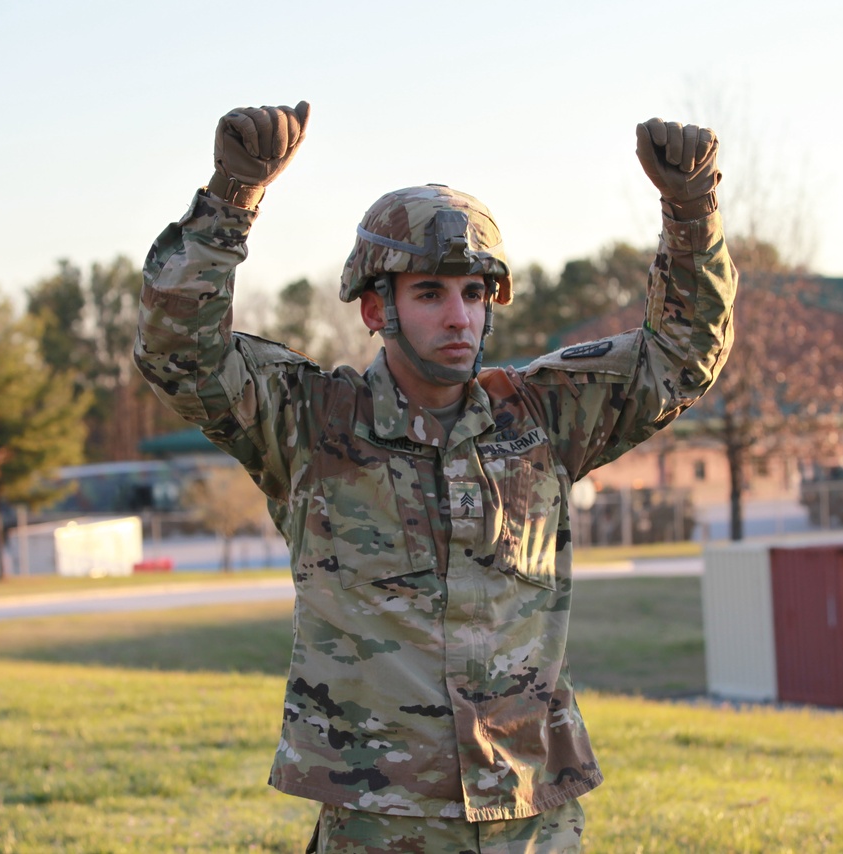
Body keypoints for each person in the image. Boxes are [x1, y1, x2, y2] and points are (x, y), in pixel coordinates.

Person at [135, 102, 736, 853]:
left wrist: (691, 212)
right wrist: (230, 198)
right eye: (429, 293)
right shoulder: (312, 424)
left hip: (531, 820)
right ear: (374, 309)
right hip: (380, 824)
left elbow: (679, 357)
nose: (460, 317)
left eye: (475, 294)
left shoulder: (542, 418)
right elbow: (178, 354)